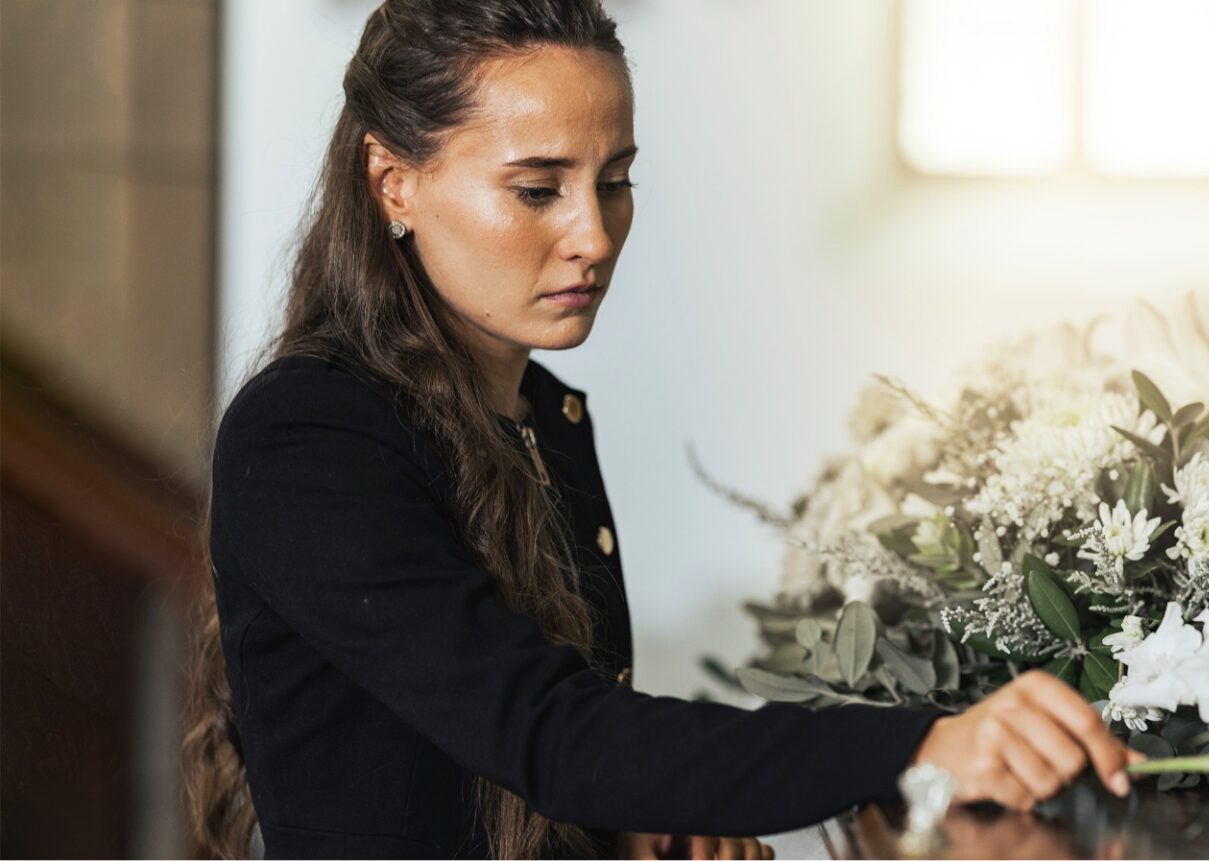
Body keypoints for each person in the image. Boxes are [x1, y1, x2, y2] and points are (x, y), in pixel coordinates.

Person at [180, 1, 1142, 858]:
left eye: (615, 180)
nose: (594, 235)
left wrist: (632, 825)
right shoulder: (307, 435)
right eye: (536, 188)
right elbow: (549, 734)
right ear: (393, 181)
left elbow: (509, 757)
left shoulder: (539, 417)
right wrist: (920, 743)